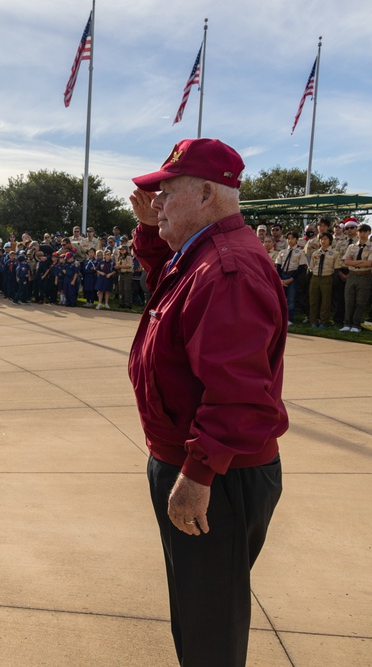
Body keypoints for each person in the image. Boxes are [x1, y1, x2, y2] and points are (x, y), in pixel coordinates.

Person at [128, 138, 286, 667]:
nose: (156, 206)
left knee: (210, 627)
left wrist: (198, 476)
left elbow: (239, 393)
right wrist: (152, 233)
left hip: (216, 476)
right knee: (200, 611)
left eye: (165, 195)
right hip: (198, 464)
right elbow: (165, 293)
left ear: (204, 193)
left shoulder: (225, 269)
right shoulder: (201, 256)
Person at [340, 223, 372, 332]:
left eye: (364, 232)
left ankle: (356, 324)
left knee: (361, 301)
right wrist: (361, 261)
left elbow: (369, 263)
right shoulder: (352, 246)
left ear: (369, 233)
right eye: (360, 232)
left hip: (364, 275)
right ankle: (347, 323)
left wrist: (354, 262)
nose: (362, 234)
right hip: (351, 275)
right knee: (349, 300)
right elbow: (346, 262)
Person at [307, 232, 342, 327]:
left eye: (325, 239)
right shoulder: (315, 253)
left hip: (327, 277)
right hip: (315, 277)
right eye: (321, 239)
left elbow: (336, 268)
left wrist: (334, 280)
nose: (323, 241)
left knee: (325, 301)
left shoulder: (334, 253)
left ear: (330, 240)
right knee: (313, 300)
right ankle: (313, 321)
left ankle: (324, 321)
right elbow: (312, 267)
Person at [276, 232, 308, 325]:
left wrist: (291, 279)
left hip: (293, 276)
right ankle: (280, 318)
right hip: (282, 275)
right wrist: (280, 279)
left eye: (292, 238)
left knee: (291, 299)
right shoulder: (282, 252)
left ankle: (289, 319)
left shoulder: (300, 252)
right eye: (288, 238)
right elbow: (278, 266)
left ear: (297, 240)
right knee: (281, 299)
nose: (290, 240)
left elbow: (301, 268)